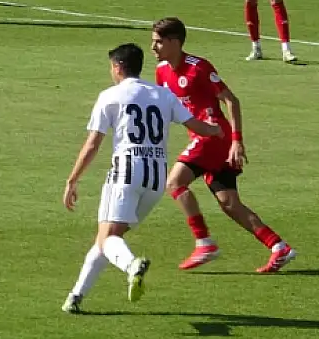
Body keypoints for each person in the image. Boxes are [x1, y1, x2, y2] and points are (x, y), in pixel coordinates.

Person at [60, 42, 221, 313]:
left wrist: (72, 180)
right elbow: (197, 126)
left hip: (126, 173)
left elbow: (92, 144)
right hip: (157, 178)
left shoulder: (110, 96)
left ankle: (131, 265)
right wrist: (217, 131)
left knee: (108, 239)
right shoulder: (163, 95)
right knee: (108, 238)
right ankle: (75, 297)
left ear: (118, 67)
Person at [150, 17, 298, 275]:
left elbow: (232, 100)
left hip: (214, 137)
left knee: (174, 183)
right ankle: (278, 247)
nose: (153, 47)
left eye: (159, 42)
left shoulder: (199, 68)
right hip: (201, 138)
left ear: (175, 42)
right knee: (229, 203)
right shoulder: (162, 71)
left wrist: (237, 142)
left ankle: (203, 242)